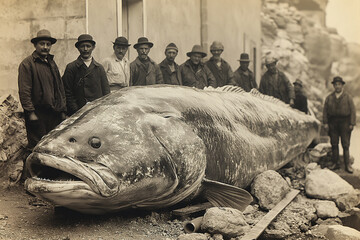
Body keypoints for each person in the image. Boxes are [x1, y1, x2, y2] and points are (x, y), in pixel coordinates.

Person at [18, 29, 67, 150]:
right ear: (35, 45)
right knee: (37, 147)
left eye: (48, 44)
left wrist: (62, 109)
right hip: (37, 114)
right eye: (42, 44)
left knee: (52, 146)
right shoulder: (27, 64)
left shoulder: (52, 63)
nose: (45, 47)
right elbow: (25, 91)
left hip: (53, 113)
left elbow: (59, 87)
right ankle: (31, 169)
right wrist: (30, 112)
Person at [62, 34, 110, 115]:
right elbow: (67, 91)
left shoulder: (99, 68)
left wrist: (103, 109)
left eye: (88, 46)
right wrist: (75, 110)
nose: (85, 49)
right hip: (77, 112)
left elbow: (106, 92)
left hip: (96, 112)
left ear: (93, 47)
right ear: (78, 48)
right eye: (82, 46)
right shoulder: (71, 67)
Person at [323, 76, 356, 173]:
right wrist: (325, 123)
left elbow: (353, 111)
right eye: (335, 84)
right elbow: (325, 111)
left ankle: (347, 165)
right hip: (333, 123)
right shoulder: (329, 98)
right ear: (333, 86)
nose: (337, 86)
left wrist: (352, 123)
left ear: (342, 86)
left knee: (345, 145)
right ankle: (335, 163)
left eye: (339, 84)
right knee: (334, 143)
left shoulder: (348, 97)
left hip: (345, 123)